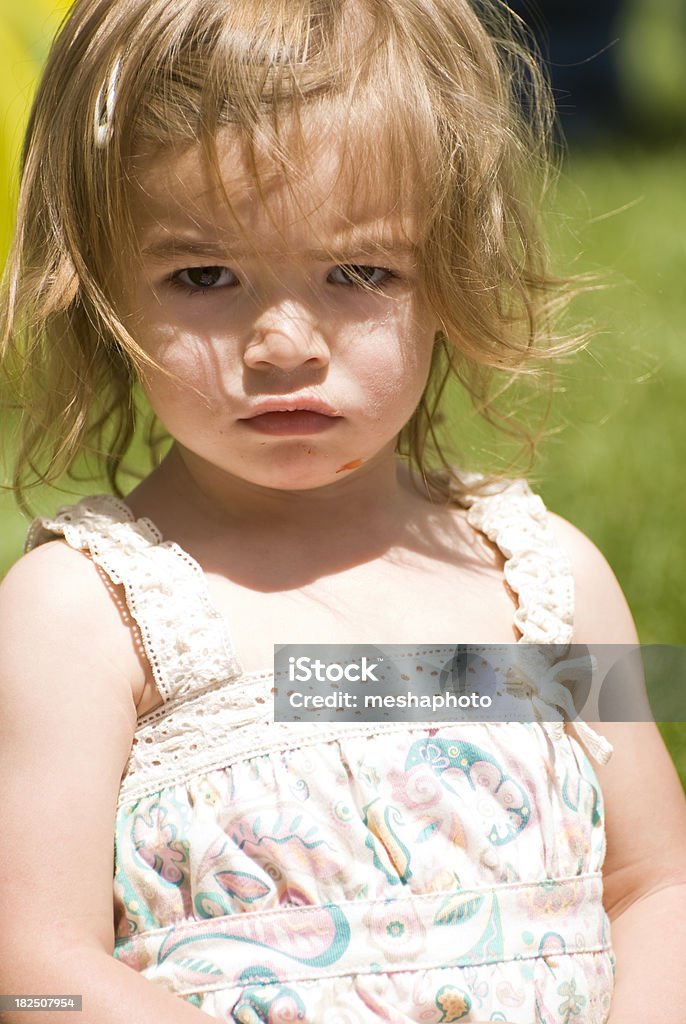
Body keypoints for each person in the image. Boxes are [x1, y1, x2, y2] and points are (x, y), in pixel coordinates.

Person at [0, 1, 685, 1022]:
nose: (283, 343)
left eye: (358, 271)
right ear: (99, 283)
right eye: (202, 275)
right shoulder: (87, 614)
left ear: (454, 271)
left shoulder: (540, 580)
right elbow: (33, 965)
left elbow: (655, 884)